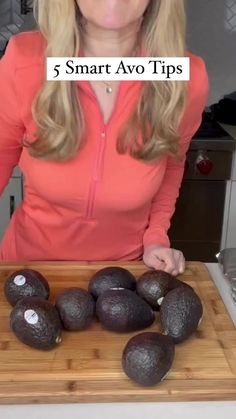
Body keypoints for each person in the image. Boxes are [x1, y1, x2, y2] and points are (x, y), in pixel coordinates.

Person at [0, 0, 208, 275]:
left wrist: (156, 238)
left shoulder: (186, 78)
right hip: (27, 270)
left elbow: (170, 163)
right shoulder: (24, 60)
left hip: (121, 276)